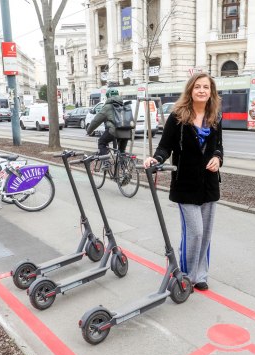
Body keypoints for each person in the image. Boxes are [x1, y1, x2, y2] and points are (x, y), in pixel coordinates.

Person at [143, 72, 223, 291]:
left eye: (206, 87)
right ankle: (186, 275)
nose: (202, 91)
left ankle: (201, 274)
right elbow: (165, 146)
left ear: (211, 91)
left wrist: (217, 158)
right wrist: (156, 159)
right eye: (197, 87)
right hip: (186, 184)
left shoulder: (215, 116)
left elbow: (219, 146)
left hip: (208, 184)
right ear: (190, 90)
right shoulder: (178, 116)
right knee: (194, 231)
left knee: (205, 233)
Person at [86, 88, 128, 156]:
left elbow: (96, 121)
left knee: (101, 142)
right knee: (121, 151)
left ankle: (106, 163)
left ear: (108, 96)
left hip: (113, 131)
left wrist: (89, 131)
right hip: (126, 131)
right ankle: (123, 164)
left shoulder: (107, 107)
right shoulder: (123, 105)